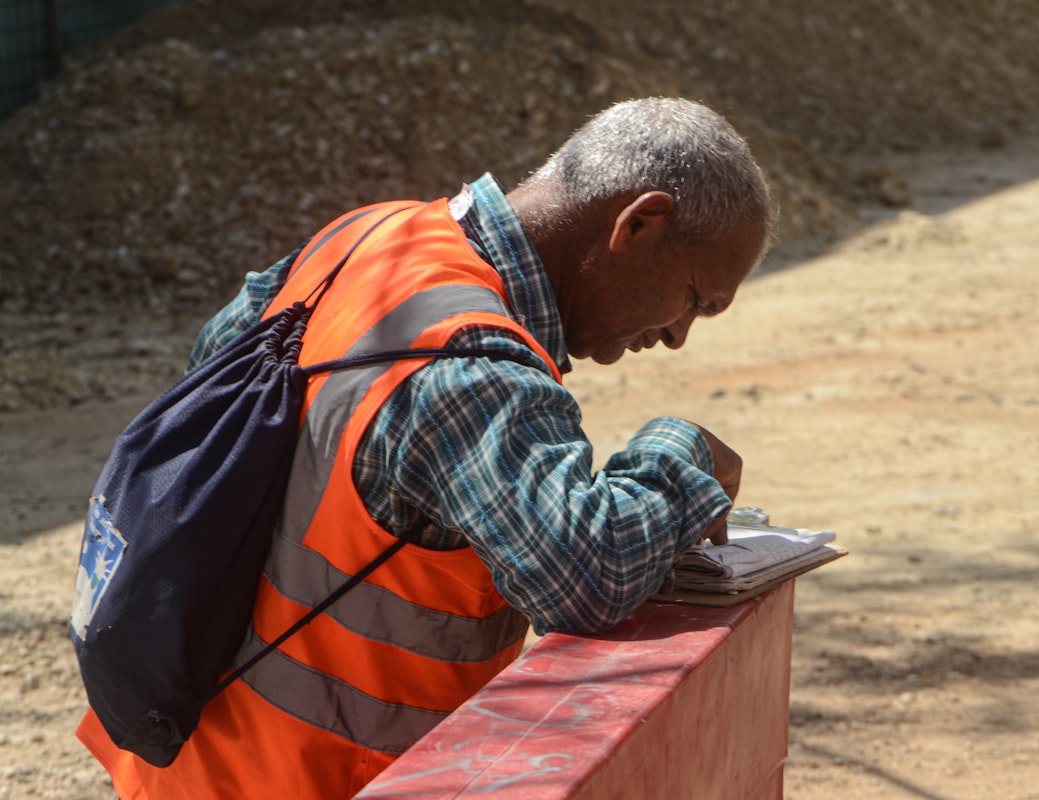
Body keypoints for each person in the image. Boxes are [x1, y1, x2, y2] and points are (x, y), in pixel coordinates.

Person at [77, 96, 773, 799]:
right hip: (317, 779)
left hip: (191, 757)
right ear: (639, 224)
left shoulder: (368, 238)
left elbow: (212, 370)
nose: (679, 335)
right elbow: (586, 576)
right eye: (694, 298)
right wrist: (679, 452)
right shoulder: (468, 359)